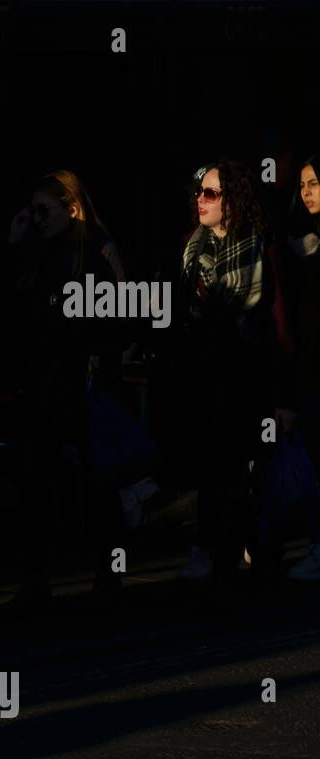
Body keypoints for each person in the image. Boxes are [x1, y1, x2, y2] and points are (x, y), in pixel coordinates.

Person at [6, 172, 137, 615]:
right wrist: (16, 242)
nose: (38, 218)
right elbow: (12, 311)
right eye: (33, 210)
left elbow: (123, 315)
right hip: (43, 381)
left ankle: (109, 570)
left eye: (46, 210)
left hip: (85, 379)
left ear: (72, 208)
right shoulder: (37, 251)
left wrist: (98, 357)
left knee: (98, 478)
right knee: (35, 477)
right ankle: (36, 575)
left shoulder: (97, 248)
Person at [171, 161, 281, 604]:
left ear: (231, 201)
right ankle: (219, 555)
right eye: (199, 192)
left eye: (211, 193)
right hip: (203, 380)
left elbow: (270, 324)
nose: (201, 199)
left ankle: (229, 568)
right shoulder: (191, 250)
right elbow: (183, 316)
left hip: (241, 381)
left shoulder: (255, 247)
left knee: (236, 474)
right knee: (211, 473)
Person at [278, 154, 320, 580]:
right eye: (303, 185)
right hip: (310, 370)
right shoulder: (298, 243)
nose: (307, 193)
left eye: (315, 184)